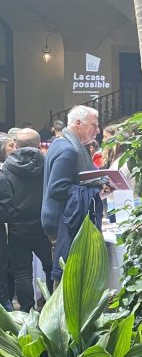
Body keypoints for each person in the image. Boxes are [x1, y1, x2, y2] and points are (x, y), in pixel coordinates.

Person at [42, 105, 106, 278]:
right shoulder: (68, 149)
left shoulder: (62, 143)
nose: (98, 130)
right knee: (68, 279)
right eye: (94, 125)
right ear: (78, 123)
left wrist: (98, 187)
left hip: (61, 219)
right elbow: (58, 188)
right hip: (64, 223)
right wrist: (94, 189)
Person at [0, 128, 53, 311]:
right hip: (43, 224)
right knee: (50, 267)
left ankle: (27, 311)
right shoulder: (46, 163)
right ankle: (50, 306)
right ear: (38, 144)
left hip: (17, 226)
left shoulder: (7, 167)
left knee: (22, 273)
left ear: (16, 145)